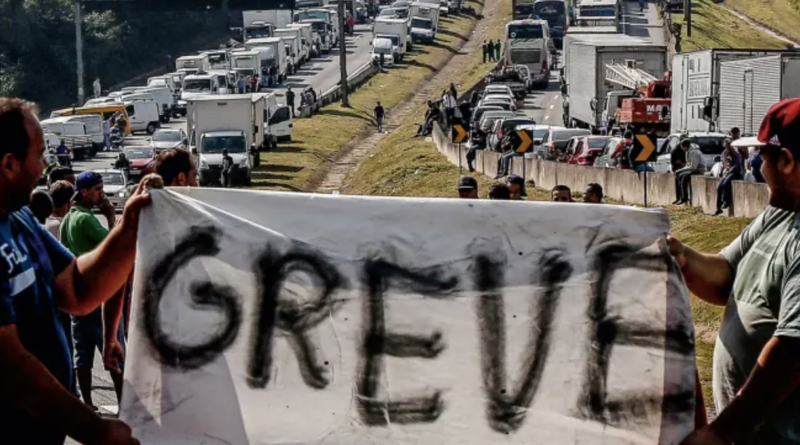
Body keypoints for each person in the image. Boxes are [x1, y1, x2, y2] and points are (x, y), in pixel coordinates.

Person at [0, 97, 144, 444]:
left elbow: (78, 290)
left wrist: (130, 228)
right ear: (8, 163)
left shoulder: (19, 218)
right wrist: (95, 430)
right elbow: (9, 365)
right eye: (39, 154)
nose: (45, 165)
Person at [675, 98, 800, 445]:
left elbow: (792, 352)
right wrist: (681, 256)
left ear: (787, 161)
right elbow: (726, 276)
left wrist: (720, 431)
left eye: (764, 156)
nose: (758, 166)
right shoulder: (783, 211)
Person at [60, 172, 126, 409]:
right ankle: (123, 404)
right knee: (114, 352)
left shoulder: (69, 218)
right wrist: (110, 217)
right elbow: (114, 247)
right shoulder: (86, 220)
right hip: (98, 298)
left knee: (83, 353)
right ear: (84, 191)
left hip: (79, 299)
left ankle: (87, 403)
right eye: (98, 189)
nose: (102, 194)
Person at [715, 137, 743, 216]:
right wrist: (722, 171)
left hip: (735, 173)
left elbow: (737, 165)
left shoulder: (736, 154)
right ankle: (718, 208)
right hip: (727, 172)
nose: (727, 147)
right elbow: (723, 163)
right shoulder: (724, 153)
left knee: (727, 183)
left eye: (729, 145)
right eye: (726, 145)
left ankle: (726, 201)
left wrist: (730, 171)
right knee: (720, 187)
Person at [673, 139, 706, 205]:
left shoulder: (694, 152)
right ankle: (679, 197)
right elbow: (688, 165)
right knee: (678, 176)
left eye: (682, 147)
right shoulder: (687, 152)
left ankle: (684, 197)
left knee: (683, 177)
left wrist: (680, 170)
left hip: (699, 169)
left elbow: (693, 167)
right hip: (693, 169)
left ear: (685, 146)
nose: (682, 148)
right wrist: (679, 170)